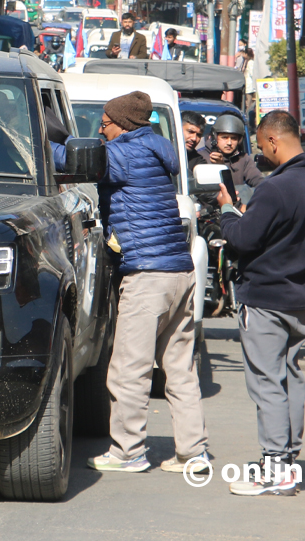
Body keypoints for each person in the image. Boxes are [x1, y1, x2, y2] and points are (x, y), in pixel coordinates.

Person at [82, 92, 211, 476]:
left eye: (104, 123)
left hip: (147, 275)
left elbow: (65, 159)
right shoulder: (155, 149)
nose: (101, 130)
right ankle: (193, 453)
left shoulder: (123, 154)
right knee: (180, 370)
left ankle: (128, 451)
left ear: (122, 124)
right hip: (179, 273)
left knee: (129, 368)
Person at [217, 110, 305, 496]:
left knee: (267, 382)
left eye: (260, 144)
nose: (260, 153)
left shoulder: (274, 188)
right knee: (290, 376)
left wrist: (227, 212)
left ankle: (276, 466)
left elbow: (242, 239)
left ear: (273, 140)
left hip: (265, 297)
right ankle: (286, 458)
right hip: (299, 297)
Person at [206, 113, 263, 188]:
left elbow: (257, 180)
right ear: (215, 137)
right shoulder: (202, 157)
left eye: (234, 138)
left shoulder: (243, 159)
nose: (229, 143)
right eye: (224, 137)